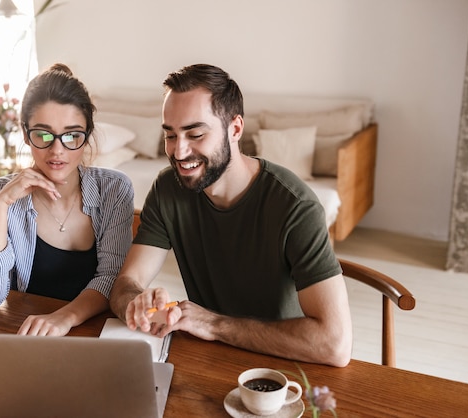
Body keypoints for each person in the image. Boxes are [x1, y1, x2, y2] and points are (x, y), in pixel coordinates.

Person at [109, 64, 353, 367]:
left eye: (195, 134)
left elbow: (334, 345)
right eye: (170, 135)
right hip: (210, 357)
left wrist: (213, 324)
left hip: (282, 366)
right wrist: (137, 301)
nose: (179, 152)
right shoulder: (168, 189)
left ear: (235, 129)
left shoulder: (294, 206)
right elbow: (126, 283)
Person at [0, 63, 134, 336]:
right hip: (27, 336)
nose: (57, 150)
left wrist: (63, 318)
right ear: (25, 133)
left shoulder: (114, 189)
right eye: (43, 134)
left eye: (72, 136)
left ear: (87, 135)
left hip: (95, 335)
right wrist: (2, 206)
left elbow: (112, 278)